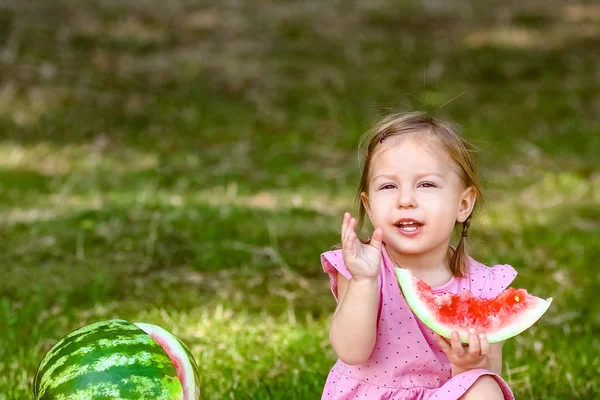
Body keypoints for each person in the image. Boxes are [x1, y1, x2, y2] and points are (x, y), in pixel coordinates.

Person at [321, 112, 516, 399]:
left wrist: (466, 366)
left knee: (484, 387)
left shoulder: (484, 287)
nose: (405, 200)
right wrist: (364, 281)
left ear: (463, 204)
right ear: (370, 206)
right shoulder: (363, 269)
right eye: (388, 186)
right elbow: (351, 351)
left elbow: (490, 375)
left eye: (426, 185)